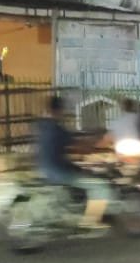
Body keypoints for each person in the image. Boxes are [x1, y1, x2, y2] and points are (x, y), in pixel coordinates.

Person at [35, 96, 111, 230]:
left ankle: (77, 207)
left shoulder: (42, 126)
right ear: (59, 110)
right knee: (99, 186)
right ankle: (91, 221)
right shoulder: (57, 129)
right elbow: (77, 145)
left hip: (43, 168)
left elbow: (60, 146)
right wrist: (94, 147)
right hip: (57, 171)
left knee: (81, 172)